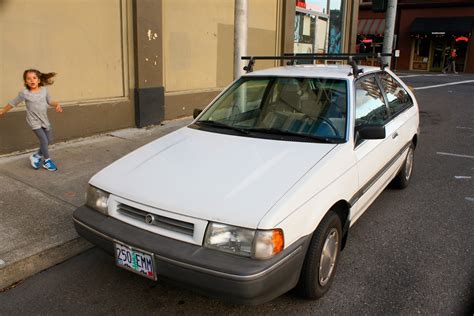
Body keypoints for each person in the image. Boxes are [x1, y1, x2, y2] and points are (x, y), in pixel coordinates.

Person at [0, 69, 63, 171]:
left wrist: (57, 104)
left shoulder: (44, 90)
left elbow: (50, 101)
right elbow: (13, 102)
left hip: (44, 119)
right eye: (28, 79)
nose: (31, 80)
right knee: (44, 140)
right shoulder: (24, 93)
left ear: (38, 80)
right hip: (34, 121)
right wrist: (3, 111)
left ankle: (36, 156)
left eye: (34, 78)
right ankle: (47, 161)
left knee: (49, 140)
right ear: (25, 82)